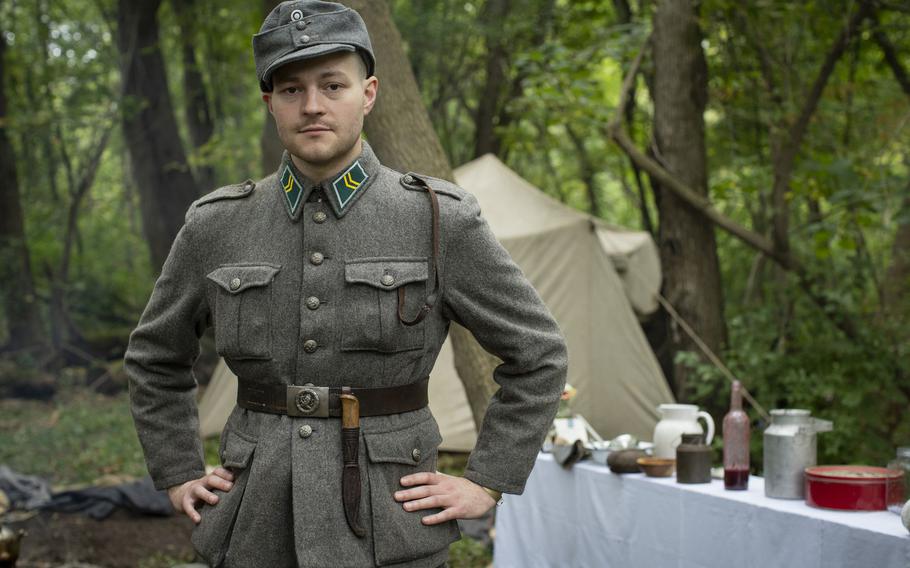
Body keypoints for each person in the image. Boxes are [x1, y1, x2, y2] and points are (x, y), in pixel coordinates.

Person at [124, 1, 568, 566]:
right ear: (270, 104)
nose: (312, 106)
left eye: (333, 85)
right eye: (291, 90)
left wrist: (487, 481)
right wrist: (179, 470)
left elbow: (539, 354)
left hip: (391, 519)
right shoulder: (218, 224)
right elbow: (154, 356)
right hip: (256, 516)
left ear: (370, 93)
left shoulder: (437, 218)